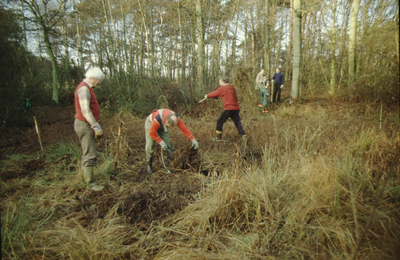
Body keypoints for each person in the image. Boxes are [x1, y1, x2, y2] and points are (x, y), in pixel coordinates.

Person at [74, 67, 105, 191]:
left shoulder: (86, 88)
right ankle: (90, 184)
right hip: (85, 125)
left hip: (86, 124)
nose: (100, 83)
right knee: (89, 153)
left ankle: (88, 179)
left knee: (88, 151)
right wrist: (96, 126)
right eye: (99, 80)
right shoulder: (84, 89)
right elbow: (85, 111)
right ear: (93, 78)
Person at [145, 109, 199, 174]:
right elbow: (151, 133)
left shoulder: (175, 117)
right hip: (151, 124)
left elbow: (184, 128)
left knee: (168, 144)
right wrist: (161, 142)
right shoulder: (158, 119)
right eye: (170, 126)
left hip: (163, 125)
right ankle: (149, 165)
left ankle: (172, 163)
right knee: (150, 146)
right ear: (167, 123)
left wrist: (193, 139)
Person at [203, 76, 246, 144]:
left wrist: (207, 95)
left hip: (229, 109)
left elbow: (215, 93)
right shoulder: (231, 87)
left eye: (219, 81)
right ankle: (244, 140)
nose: (219, 82)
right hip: (236, 109)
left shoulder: (223, 88)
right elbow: (220, 95)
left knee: (219, 121)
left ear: (223, 81)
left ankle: (218, 139)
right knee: (238, 124)